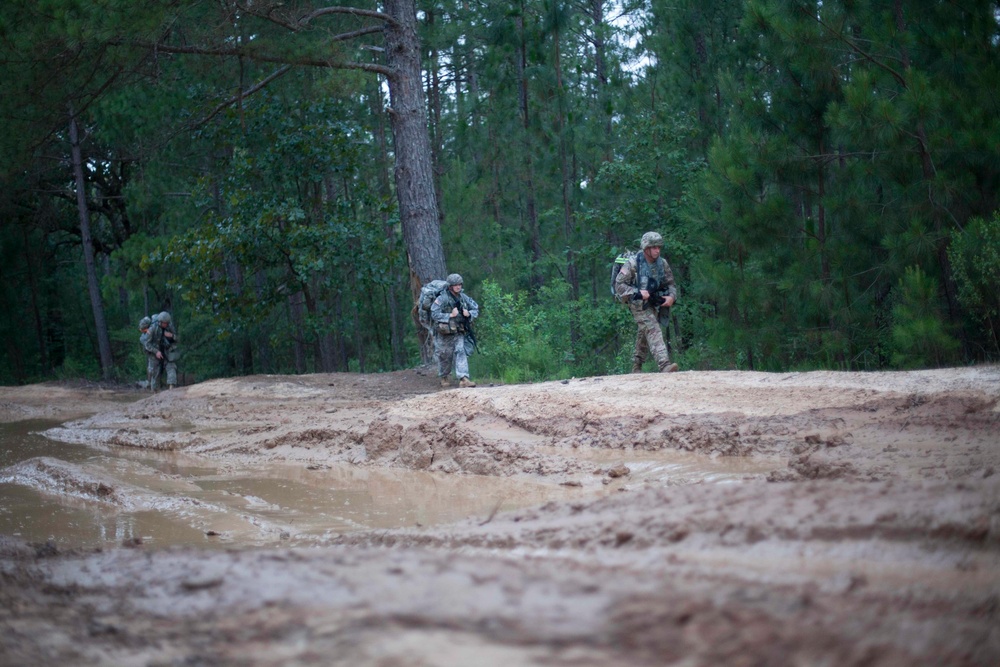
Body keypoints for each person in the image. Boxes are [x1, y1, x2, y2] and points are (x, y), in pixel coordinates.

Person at [614, 231, 679, 373]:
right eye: (654, 247)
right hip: (636, 302)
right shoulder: (632, 264)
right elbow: (618, 286)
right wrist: (637, 293)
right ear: (646, 248)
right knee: (652, 327)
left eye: (659, 247)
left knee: (644, 330)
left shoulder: (662, 263)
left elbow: (671, 284)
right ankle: (664, 364)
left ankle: (636, 366)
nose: (657, 250)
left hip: (653, 300)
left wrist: (671, 297)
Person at [430, 273, 479, 388]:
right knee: (444, 355)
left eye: (460, 284)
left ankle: (463, 378)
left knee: (460, 351)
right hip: (444, 333)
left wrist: (469, 314)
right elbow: (434, 313)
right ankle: (444, 376)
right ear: (450, 286)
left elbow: (475, 308)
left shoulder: (463, 297)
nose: (458, 287)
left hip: (458, 331)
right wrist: (449, 315)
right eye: (455, 285)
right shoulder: (442, 298)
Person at [144, 311, 180, 390]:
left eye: (167, 323)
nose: (166, 324)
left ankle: (172, 387)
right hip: (154, 353)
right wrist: (156, 351)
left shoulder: (169, 326)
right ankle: (155, 393)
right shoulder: (152, 328)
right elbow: (146, 344)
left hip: (167, 351)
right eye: (164, 323)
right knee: (155, 373)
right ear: (160, 322)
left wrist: (171, 335)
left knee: (171, 367)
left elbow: (177, 339)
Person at [138, 316, 156, 391]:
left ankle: (152, 387)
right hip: (154, 352)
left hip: (154, 353)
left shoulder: (146, 335)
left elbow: (144, 341)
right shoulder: (153, 329)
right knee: (151, 369)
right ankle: (150, 384)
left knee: (152, 370)